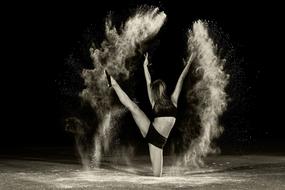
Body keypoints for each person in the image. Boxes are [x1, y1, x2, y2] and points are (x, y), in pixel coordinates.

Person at [105, 52, 195, 176]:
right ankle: (113, 83)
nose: (159, 89)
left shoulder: (173, 99)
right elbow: (148, 82)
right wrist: (144, 65)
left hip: (160, 142)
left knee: (157, 176)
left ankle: (113, 83)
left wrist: (189, 62)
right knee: (133, 107)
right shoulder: (154, 102)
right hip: (151, 133)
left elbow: (181, 78)